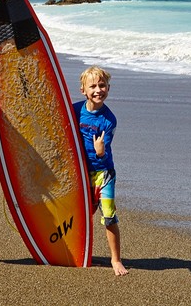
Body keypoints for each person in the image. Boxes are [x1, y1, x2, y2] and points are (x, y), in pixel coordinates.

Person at [73, 66, 129, 276]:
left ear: (108, 88)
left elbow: (104, 156)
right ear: (83, 90)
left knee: (108, 215)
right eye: (93, 86)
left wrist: (99, 152)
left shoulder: (109, 120)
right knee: (81, 214)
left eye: (102, 85)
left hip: (104, 174)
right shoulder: (75, 110)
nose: (98, 90)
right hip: (80, 172)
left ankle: (115, 259)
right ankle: (81, 252)